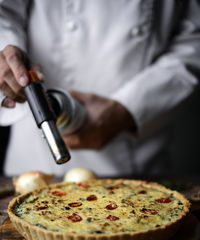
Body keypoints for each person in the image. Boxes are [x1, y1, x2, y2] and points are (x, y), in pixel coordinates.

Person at [0, 0, 200, 178]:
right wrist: (6, 55)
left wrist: (129, 108)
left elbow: (194, 41)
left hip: (133, 164)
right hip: (34, 162)